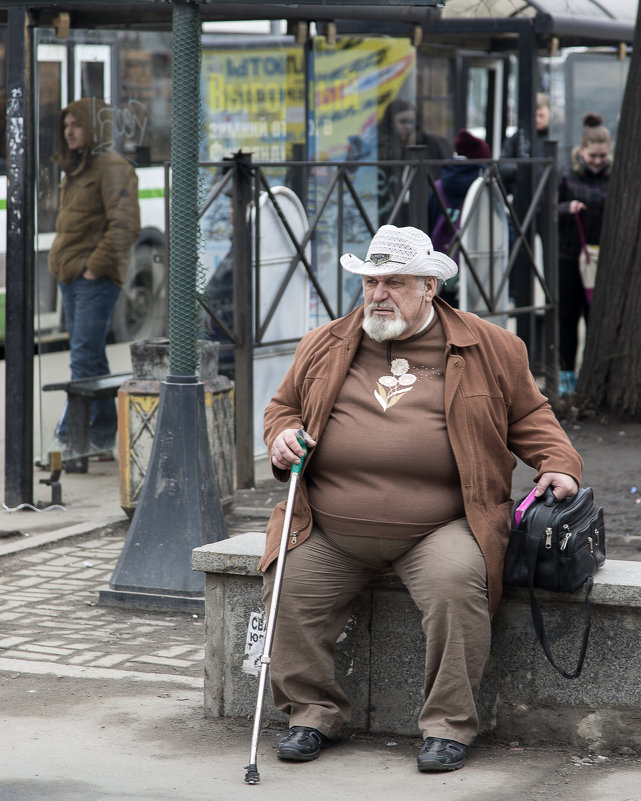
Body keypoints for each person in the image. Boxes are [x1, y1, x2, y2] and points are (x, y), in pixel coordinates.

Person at [260, 224, 582, 772]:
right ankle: (311, 714)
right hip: (329, 524)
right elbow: (282, 407)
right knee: (286, 581)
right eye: (370, 281)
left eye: (395, 282)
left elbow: (530, 415)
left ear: (430, 285)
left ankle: (448, 727)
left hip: (441, 525)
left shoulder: (489, 345)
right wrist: (282, 436)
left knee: (458, 586)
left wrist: (560, 465)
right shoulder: (328, 342)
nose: (377, 294)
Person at [48, 97, 140, 457]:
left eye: (77, 124)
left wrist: (93, 269)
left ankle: (73, 441)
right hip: (70, 276)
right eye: (65, 125)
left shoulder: (112, 166)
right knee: (90, 357)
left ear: (93, 126)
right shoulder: (76, 167)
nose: (69, 131)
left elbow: (125, 226)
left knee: (84, 358)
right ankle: (101, 436)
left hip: (93, 279)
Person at [557, 112, 612, 394]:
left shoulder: (615, 176)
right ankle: (567, 379)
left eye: (603, 156)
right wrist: (568, 208)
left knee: (597, 317)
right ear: (582, 151)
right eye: (593, 156)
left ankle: (594, 375)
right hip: (569, 257)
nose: (598, 161)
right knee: (568, 317)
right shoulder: (567, 175)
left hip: (603, 260)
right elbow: (549, 211)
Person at [428, 129, 491, 306]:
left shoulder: (438, 186)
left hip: (439, 269)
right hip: (476, 272)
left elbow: (427, 223)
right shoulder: (485, 187)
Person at [377, 98, 451, 226]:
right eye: (402, 122)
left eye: (411, 122)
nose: (408, 127)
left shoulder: (432, 143)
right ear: (390, 123)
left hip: (425, 209)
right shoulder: (382, 145)